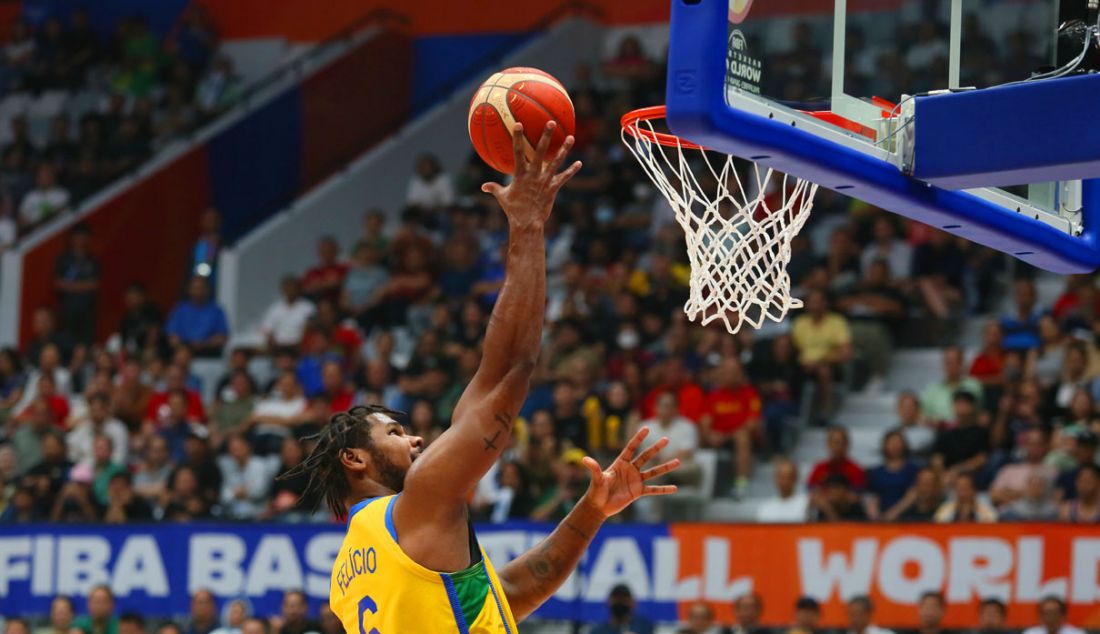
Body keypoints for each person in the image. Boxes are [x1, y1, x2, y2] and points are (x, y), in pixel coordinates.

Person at [288, 124, 680, 631]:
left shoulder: (347, 574)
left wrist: (593, 510)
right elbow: (511, 368)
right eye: (394, 432)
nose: (416, 437)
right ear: (355, 458)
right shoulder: (420, 501)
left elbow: (512, 593)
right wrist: (529, 226)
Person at [701, 357, 762, 497]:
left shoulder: (750, 394)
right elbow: (705, 421)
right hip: (718, 438)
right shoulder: (713, 396)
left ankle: (741, 484)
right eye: (727, 371)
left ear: (740, 374)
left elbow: (753, 423)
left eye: (734, 371)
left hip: (741, 439)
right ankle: (702, 488)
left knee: (742, 437)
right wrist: (710, 434)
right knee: (699, 434)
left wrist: (727, 435)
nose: (730, 375)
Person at [791, 289, 852, 424]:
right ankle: (792, 410)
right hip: (802, 366)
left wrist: (821, 361)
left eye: (818, 302)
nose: (814, 305)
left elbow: (846, 352)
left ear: (825, 304)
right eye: (811, 302)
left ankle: (824, 411)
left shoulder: (837, 322)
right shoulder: (799, 323)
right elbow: (793, 350)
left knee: (823, 371)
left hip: (829, 365)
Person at [53, 223, 99, 344]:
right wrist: (83, 286)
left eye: (84, 237)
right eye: (78, 237)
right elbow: (58, 284)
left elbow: (94, 284)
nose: (81, 240)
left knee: (86, 341)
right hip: (68, 309)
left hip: (88, 309)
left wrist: (71, 286)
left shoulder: (92, 260)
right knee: (67, 340)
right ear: (72, 239)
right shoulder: (64, 259)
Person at [165, 276, 229, 357]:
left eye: (201, 288)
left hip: (208, 353)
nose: (198, 291)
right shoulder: (180, 309)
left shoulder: (216, 310)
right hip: (183, 352)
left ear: (207, 290)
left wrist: (204, 344)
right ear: (189, 290)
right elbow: (172, 337)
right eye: (195, 288)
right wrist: (184, 348)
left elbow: (222, 337)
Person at [866, 430, 920, 520]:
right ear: (885, 445)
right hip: (881, 518)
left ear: (904, 445)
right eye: (891, 443)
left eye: (898, 442)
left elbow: (912, 495)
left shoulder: (912, 469)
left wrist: (894, 513)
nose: (895, 446)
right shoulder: (877, 472)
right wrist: (874, 512)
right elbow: (873, 496)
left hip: (907, 517)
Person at [920, 347, 984, 424]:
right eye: (948, 362)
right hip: (938, 433)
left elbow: (980, 415)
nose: (950, 366)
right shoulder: (931, 390)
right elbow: (923, 417)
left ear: (962, 363)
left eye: (955, 361)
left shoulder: (973, 386)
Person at [260, 276, 315, 352]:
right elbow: (267, 329)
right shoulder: (275, 308)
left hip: (298, 347)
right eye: (287, 288)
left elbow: (309, 328)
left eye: (292, 288)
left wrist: (301, 344)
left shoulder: (308, 307)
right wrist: (273, 343)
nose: (290, 291)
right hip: (278, 347)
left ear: (298, 289)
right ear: (282, 290)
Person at [590, 584, 655, 634]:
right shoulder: (598, 631)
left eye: (623, 599)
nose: (620, 602)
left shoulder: (643, 626)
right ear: (608, 602)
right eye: (616, 599)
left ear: (632, 603)